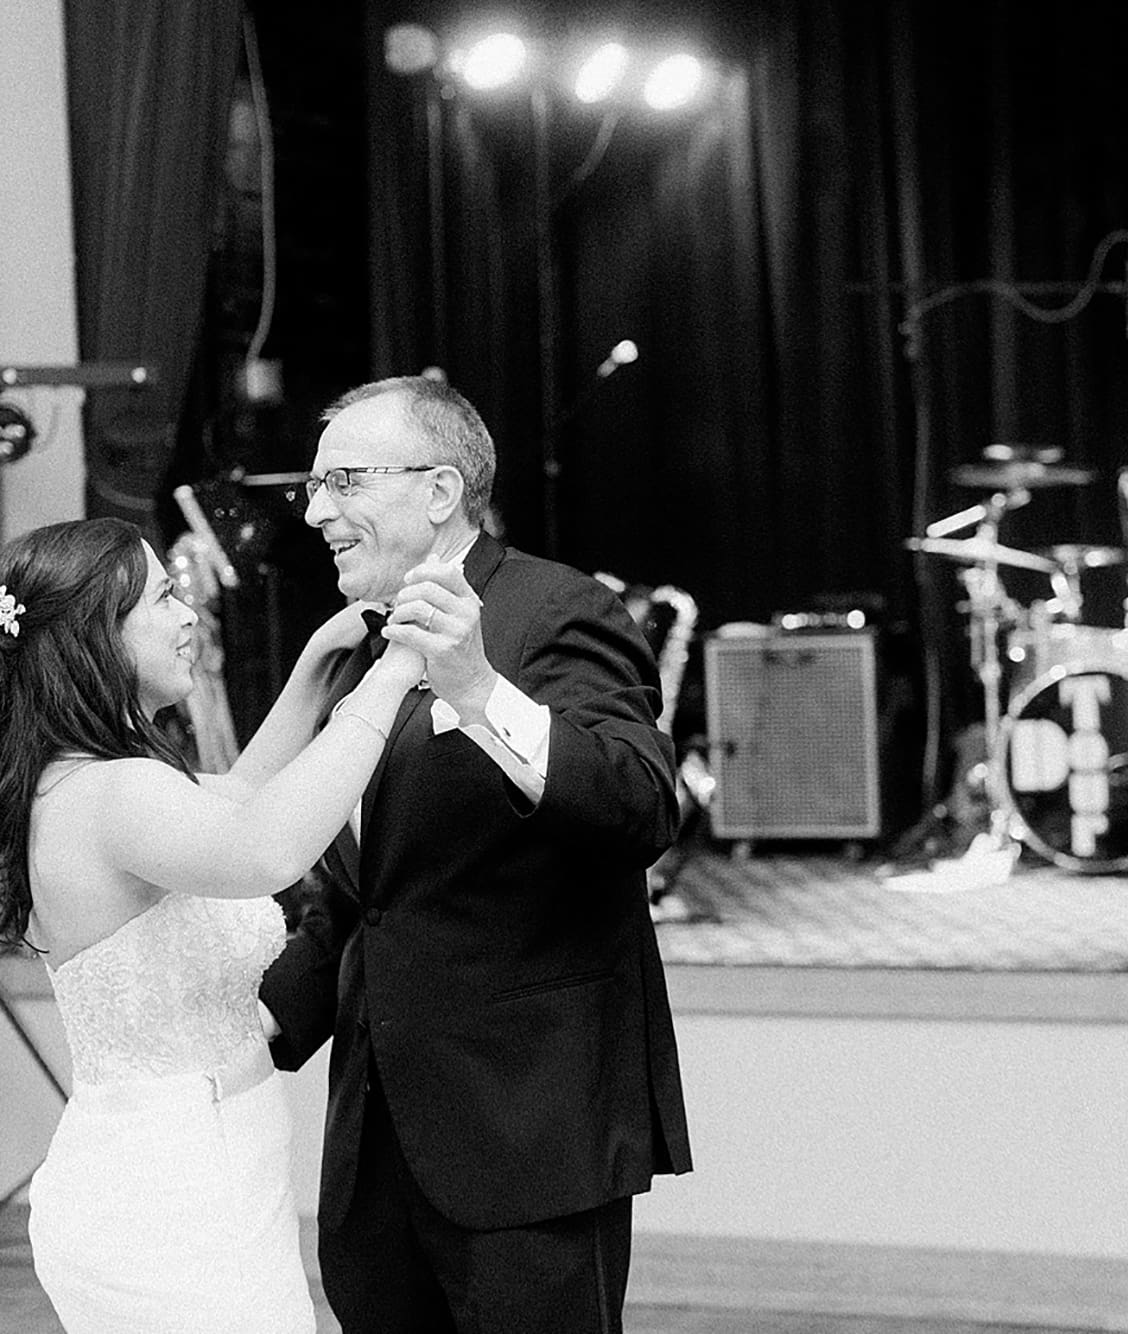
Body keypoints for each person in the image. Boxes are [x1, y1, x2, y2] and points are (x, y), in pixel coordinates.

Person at [259, 376, 692, 1332]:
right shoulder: (364, 645)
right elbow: (368, 897)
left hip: (526, 1133)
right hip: (376, 1148)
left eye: (343, 482)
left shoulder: (555, 609)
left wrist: (483, 690)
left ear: (441, 491)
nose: (318, 510)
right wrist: (241, 1040)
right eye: (314, 487)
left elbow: (640, 805)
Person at [0, 516, 429, 1334]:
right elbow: (267, 849)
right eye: (165, 597)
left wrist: (319, 664)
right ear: (95, 639)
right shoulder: (114, 793)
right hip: (167, 1193)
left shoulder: (100, 778)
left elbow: (246, 796)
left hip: (207, 1162)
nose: (190, 616)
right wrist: (392, 682)